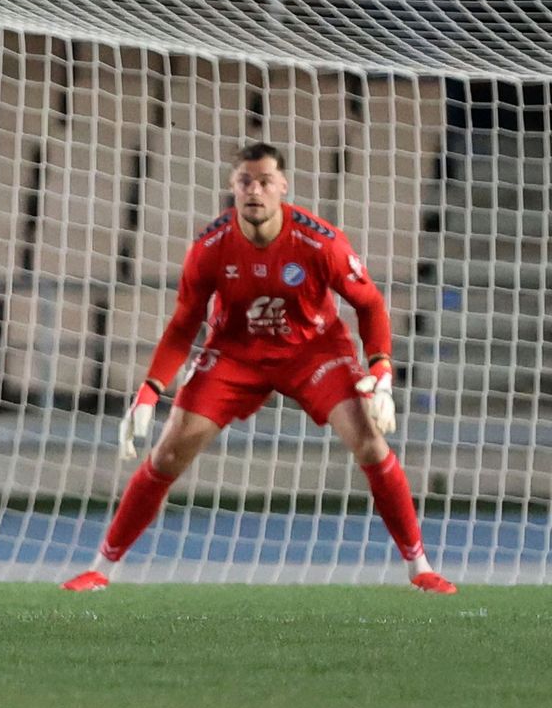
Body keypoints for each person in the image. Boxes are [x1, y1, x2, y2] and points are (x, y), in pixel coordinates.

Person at [63, 142, 455, 594]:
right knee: (169, 451)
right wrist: (149, 392)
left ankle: (419, 566)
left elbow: (369, 305)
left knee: (369, 442)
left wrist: (381, 370)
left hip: (314, 352)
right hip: (235, 353)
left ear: (282, 187)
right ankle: (101, 567)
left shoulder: (319, 241)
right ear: (232, 187)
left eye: (265, 181)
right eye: (246, 181)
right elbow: (183, 323)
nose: (255, 190)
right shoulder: (210, 247)